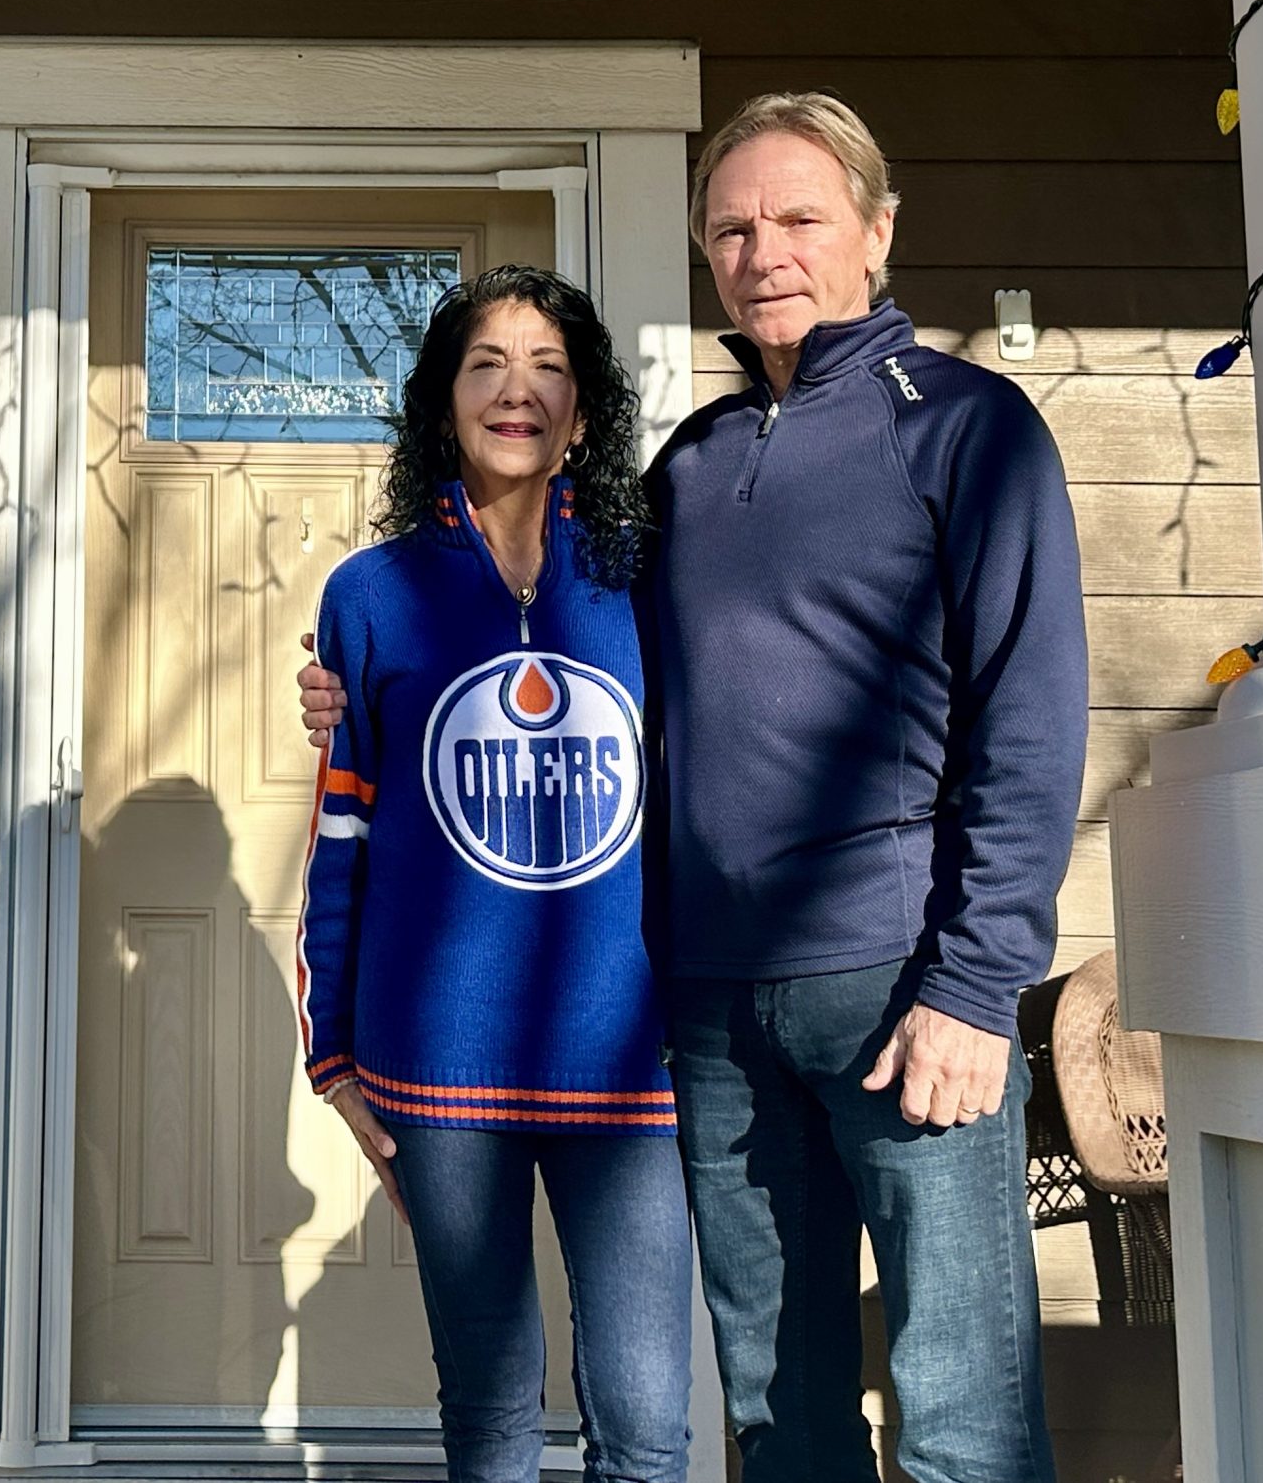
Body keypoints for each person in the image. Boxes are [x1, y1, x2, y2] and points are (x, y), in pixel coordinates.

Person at [301, 93, 1087, 1483]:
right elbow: (554, 652)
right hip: (713, 1015)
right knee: (782, 1415)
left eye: (798, 217)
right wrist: (350, 691)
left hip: (903, 990)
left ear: (878, 231)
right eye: (732, 225)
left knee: (960, 1415)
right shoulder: (690, 473)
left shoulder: (969, 431)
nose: (762, 249)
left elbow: (1029, 720)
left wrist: (977, 982)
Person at [303, 263, 692, 1483]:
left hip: (626, 1064)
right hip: (437, 1065)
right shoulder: (371, 595)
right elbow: (341, 834)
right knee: (488, 1414)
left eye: (547, 371)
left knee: (645, 1423)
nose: (515, 394)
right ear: (441, 402)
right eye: (486, 366)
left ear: (583, 411)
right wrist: (333, 1058)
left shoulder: (649, 583)